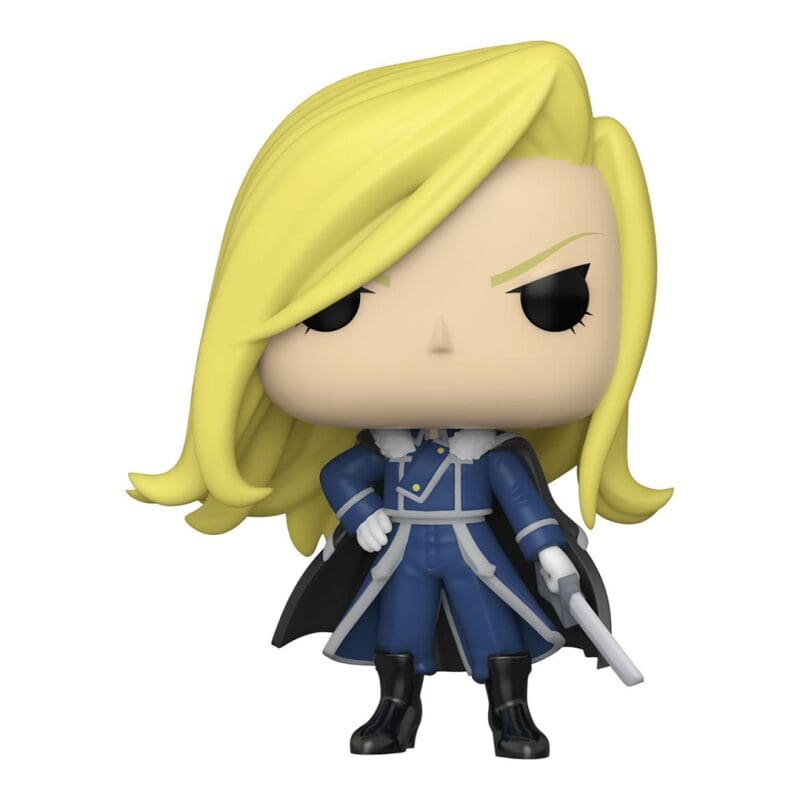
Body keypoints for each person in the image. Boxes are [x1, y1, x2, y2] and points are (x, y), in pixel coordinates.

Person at [130, 42, 671, 758]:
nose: (441, 340)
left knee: (494, 623)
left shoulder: (492, 455)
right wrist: (362, 515)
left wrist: (550, 553)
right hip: (403, 550)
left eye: (551, 301)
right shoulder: (383, 450)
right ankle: (395, 709)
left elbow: (524, 503)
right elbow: (340, 474)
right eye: (336, 307)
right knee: (399, 628)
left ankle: (510, 711)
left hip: (477, 551)